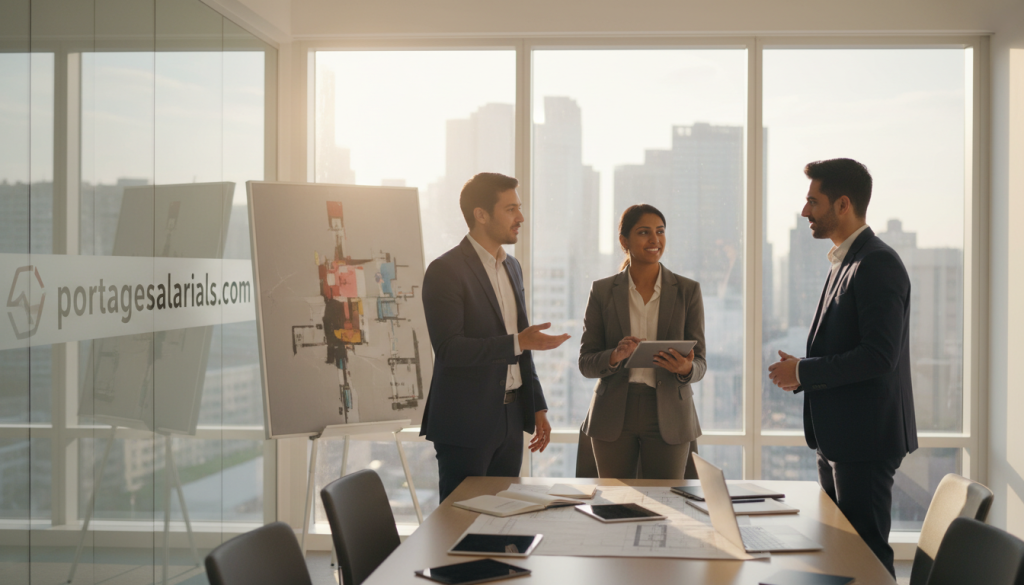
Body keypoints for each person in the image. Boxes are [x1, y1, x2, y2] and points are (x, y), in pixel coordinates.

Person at [768, 158, 917, 578]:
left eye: (813, 201)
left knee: (865, 557)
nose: (805, 212)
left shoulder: (876, 264)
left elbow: (878, 356)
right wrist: (803, 371)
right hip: (839, 441)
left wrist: (803, 372)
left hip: (864, 443)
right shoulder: (846, 261)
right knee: (842, 553)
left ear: (843, 204)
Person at [419, 172, 570, 503]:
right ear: (481, 214)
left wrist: (537, 408)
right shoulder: (445, 270)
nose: (521, 217)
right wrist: (519, 342)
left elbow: (522, 346)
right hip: (466, 423)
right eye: (511, 208)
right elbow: (449, 349)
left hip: (511, 419)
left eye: (519, 208)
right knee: (460, 524)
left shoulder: (511, 267)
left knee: (504, 523)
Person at [578, 204, 706, 479]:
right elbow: (586, 363)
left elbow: (701, 362)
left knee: (668, 503)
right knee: (615, 504)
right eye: (644, 232)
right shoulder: (602, 291)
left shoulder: (688, 290)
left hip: (670, 413)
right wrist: (614, 356)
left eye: (660, 232)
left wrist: (685, 369)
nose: (654, 240)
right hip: (613, 413)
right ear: (624, 241)